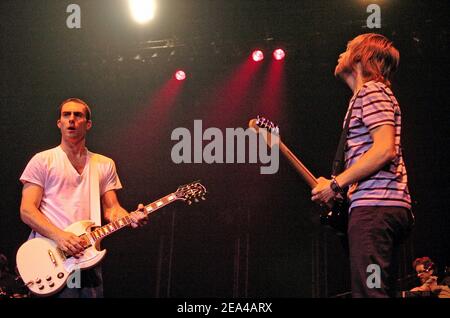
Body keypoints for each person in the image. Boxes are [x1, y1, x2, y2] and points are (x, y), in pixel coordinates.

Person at [311, 33, 414, 297]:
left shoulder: (372, 91)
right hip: (378, 207)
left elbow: (384, 150)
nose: (340, 54)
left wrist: (336, 184)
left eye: (346, 49)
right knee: (375, 290)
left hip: (375, 209)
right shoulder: (364, 96)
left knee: (370, 293)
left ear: (360, 57)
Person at [19, 98, 148, 298]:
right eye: (66, 115)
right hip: (51, 256)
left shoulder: (104, 164)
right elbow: (27, 210)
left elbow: (112, 209)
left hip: (88, 257)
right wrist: (60, 236)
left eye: (77, 115)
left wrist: (130, 217)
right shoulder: (43, 160)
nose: (71, 119)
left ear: (88, 124)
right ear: (59, 123)